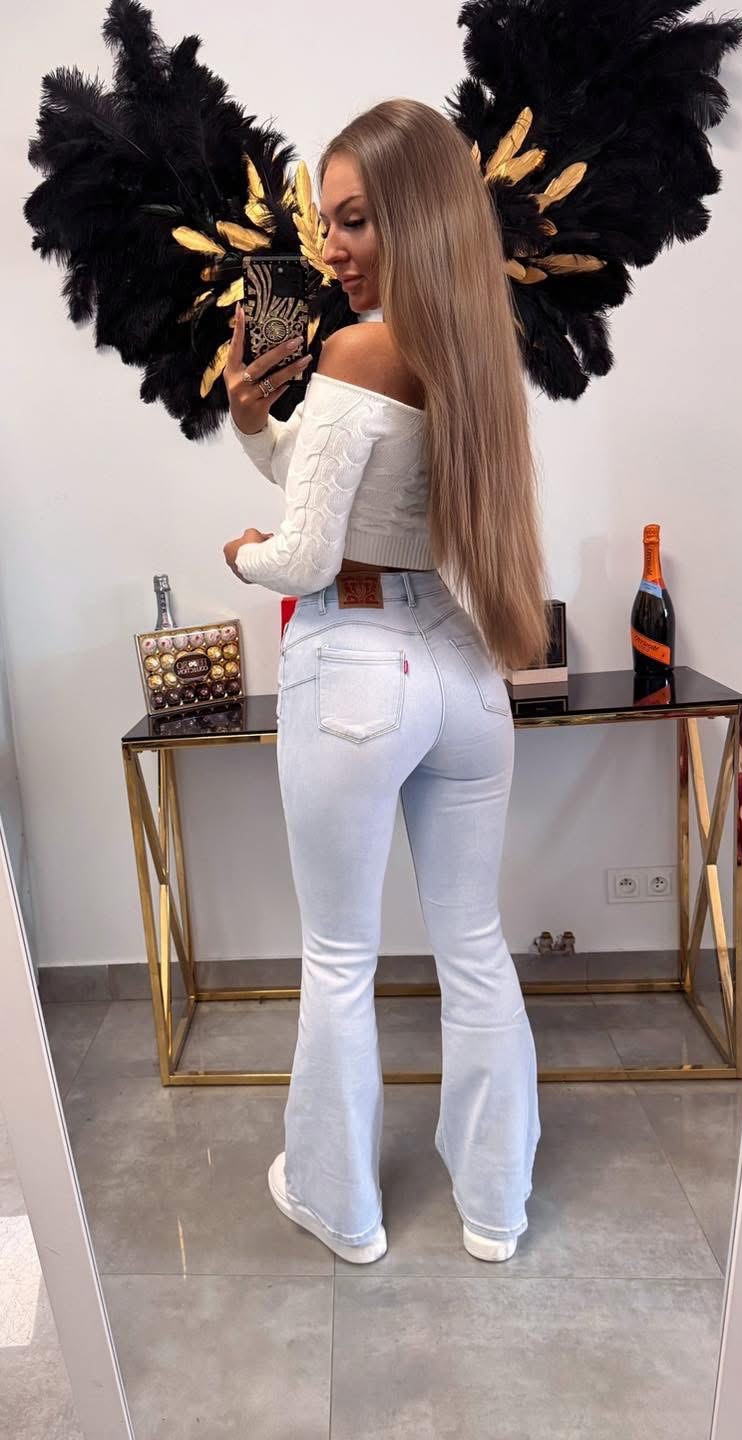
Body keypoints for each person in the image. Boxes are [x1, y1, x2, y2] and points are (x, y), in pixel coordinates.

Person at [221, 98, 551, 1265]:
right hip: (462, 668)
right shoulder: (474, 353)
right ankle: (496, 1207)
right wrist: (254, 423)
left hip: (356, 662)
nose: (333, 249)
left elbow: (308, 551)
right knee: (475, 944)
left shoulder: (359, 351)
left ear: (417, 215)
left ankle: (341, 1208)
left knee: (338, 958)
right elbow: (351, 494)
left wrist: (241, 556)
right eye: (327, 223)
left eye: (355, 219)